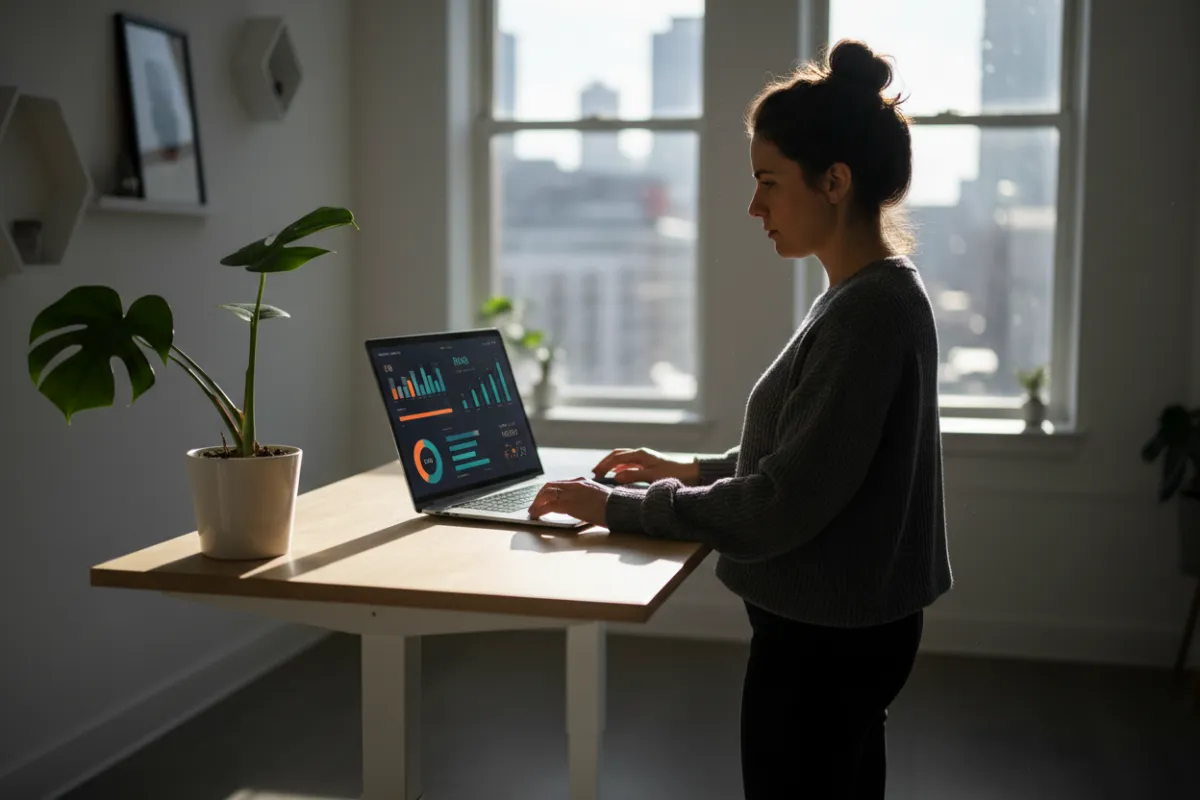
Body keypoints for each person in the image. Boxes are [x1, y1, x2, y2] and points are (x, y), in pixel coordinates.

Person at [529, 39, 952, 799]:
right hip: (847, 635)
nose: (754, 207)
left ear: (834, 182)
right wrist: (686, 470)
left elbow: (785, 500)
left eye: (767, 183)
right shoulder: (869, 295)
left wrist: (619, 506)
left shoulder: (869, 310)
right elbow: (810, 454)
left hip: (827, 645)